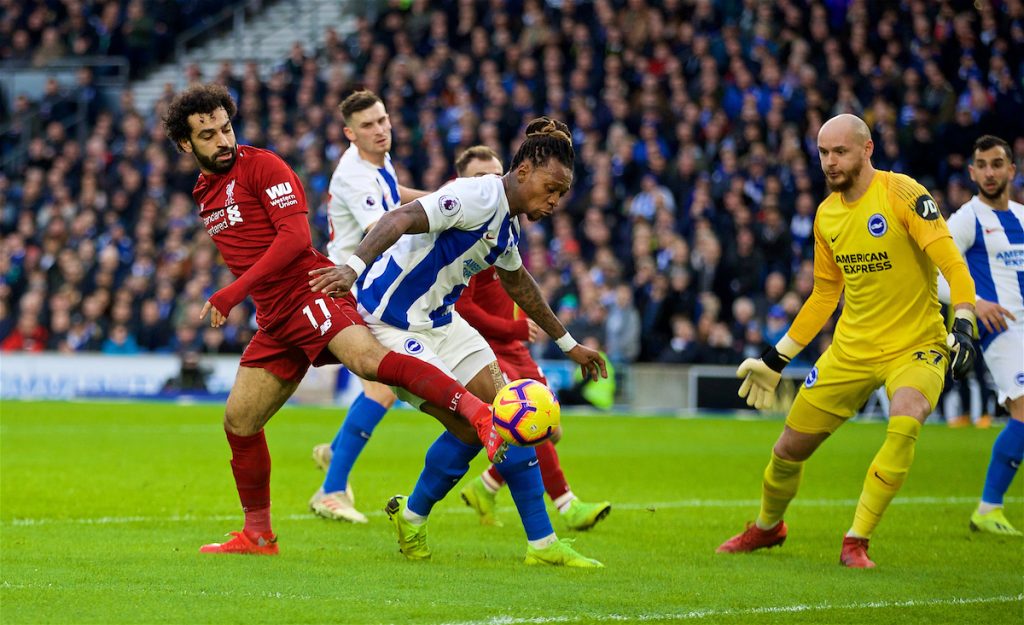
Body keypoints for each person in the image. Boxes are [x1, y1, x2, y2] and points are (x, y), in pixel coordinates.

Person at [164, 84, 506, 556]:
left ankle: (477, 414)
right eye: (208, 135)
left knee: (368, 362)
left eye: (226, 128)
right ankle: (258, 535)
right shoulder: (204, 190)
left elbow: (292, 237)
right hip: (276, 318)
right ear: (186, 144)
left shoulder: (262, 166)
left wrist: (234, 291)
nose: (222, 140)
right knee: (239, 421)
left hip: (312, 288)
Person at [309, 118, 608, 567]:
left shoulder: (507, 222)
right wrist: (352, 267)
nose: (554, 201)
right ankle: (411, 517)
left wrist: (568, 343)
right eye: (552, 188)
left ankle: (542, 545)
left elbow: (518, 282)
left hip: (442, 324)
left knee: (511, 410)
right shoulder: (476, 195)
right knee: (471, 426)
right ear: (523, 171)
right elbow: (401, 217)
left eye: (561, 194)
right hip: (394, 325)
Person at [716, 114, 979, 568]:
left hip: (916, 345)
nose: (830, 162)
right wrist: (777, 357)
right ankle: (767, 527)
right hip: (851, 350)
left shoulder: (903, 194)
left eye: (840, 152)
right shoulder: (827, 215)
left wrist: (965, 323)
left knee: (907, 416)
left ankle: (856, 540)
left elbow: (953, 265)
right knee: (787, 451)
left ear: (867, 149)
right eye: (823, 153)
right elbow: (824, 295)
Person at [450, 145, 612, 531]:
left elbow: (521, 286)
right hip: (486, 345)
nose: (488, 183)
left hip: (513, 346)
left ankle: (486, 486)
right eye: (478, 177)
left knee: (550, 429)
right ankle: (565, 505)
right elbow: (465, 309)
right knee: (532, 421)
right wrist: (515, 328)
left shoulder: (503, 229)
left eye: (493, 174)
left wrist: (557, 339)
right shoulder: (466, 233)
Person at [308, 90, 428, 524]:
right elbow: (382, 226)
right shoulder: (353, 175)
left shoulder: (378, 161)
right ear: (349, 134)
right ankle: (331, 490)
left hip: (364, 286)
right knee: (381, 387)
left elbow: (395, 196)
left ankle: (335, 455)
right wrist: (439, 218)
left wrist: (440, 198)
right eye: (368, 126)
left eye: (382, 120)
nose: (380, 130)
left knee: (381, 388)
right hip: (346, 288)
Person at [939, 135, 1023, 536]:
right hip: (1001, 332)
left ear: (1012, 170)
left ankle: (989, 509)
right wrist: (975, 302)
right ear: (972, 173)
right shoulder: (966, 219)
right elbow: (936, 277)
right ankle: (988, 509)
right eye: (982, 165)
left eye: (997, 164)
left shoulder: (1022, 217)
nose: (989, 172)